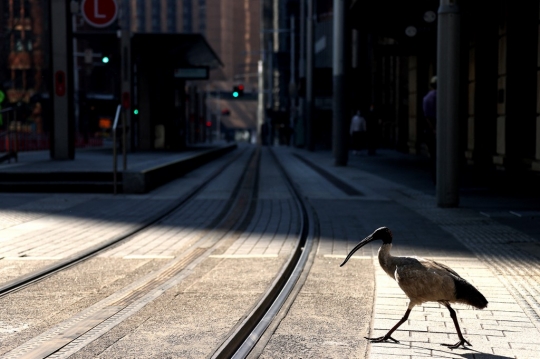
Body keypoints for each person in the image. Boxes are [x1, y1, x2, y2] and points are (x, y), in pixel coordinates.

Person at [423, 76, 437, 182]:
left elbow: (427, 116)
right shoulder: (441, 96)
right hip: (440, 128)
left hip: (430, 130)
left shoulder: (427, 98)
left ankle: (435, 177)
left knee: (433, 155)